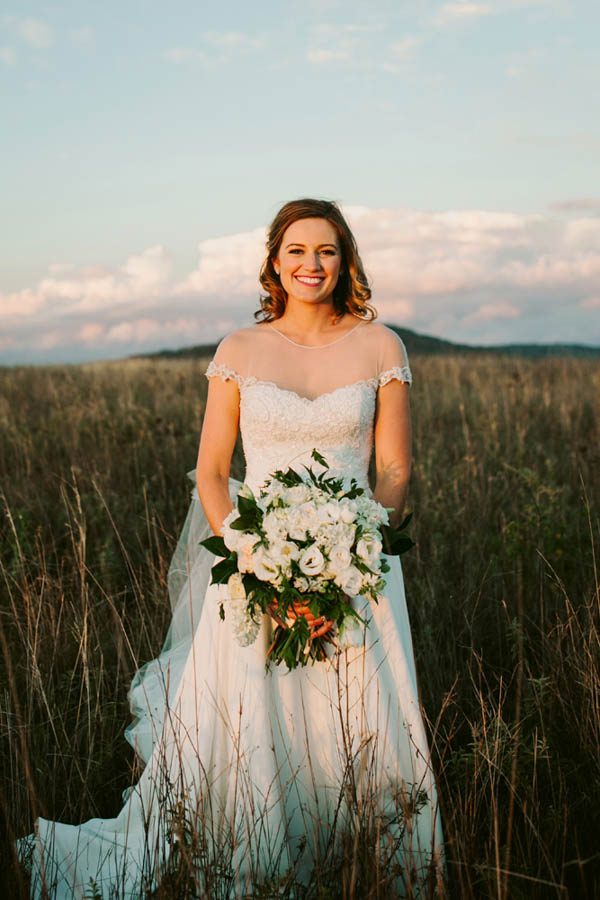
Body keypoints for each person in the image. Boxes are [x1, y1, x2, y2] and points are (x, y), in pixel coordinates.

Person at [17, 198, 446, 897]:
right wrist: (255, 557)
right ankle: (253, 853)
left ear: (346, 261)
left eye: (328, 252)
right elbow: (214, 472)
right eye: (298, 251)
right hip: (255, 563)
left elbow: (393, 471)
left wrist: (360, 545)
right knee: (256, 720)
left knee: (356, 713)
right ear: (275, 261)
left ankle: (361, 854)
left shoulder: (382, 347)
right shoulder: (239, 351)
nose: (313, 265)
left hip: (359, 563)